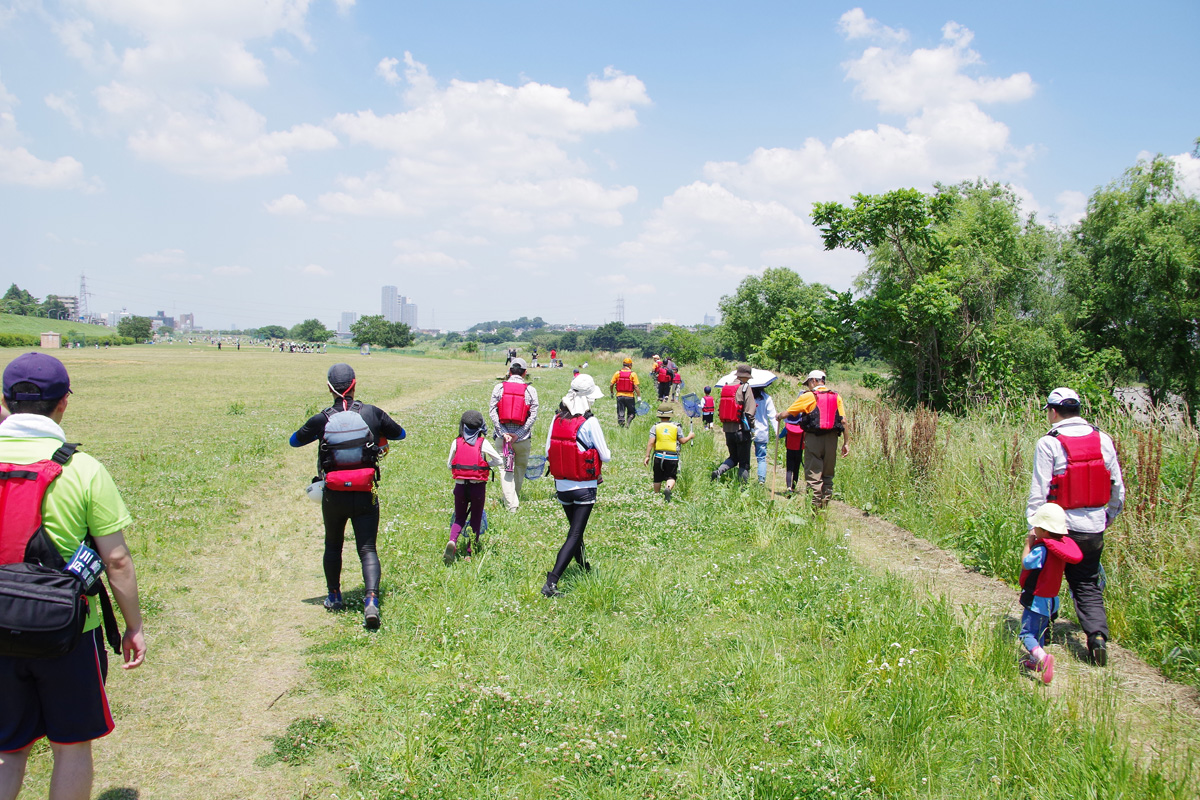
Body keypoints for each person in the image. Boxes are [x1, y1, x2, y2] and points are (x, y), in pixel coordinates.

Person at [0, 353, 147, 799]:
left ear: (6, 400)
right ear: (64, 403)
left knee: (7, 748)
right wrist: (133, 626)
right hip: (68, 631)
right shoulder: (83, 469)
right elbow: (116, 560)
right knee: (70, 744)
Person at [290, 363, 404, 629]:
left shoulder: (322, 419)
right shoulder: (372, 413)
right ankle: (371, 601)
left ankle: (333, 596)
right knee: (367, 549)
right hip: (366, 492)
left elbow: (294, 441)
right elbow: (401, 434)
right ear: (354, 384)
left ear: (329, 388)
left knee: (333, 545)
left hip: (333, 494)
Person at [1026, 387, 1124, 666]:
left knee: (1047, 580)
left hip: (1059, 527)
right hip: (1093, 526)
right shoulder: (1103, 439)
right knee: (1087, 583)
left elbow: (1039, 490)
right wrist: (1108, 518)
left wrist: (1034, 527)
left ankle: (1043, 634)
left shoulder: (1049, 442)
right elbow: (1117, 486)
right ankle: (1097, 638)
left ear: (1053, 411)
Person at [542, 374, 611, 597]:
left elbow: (547, 452)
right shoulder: (590, 421)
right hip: (584, 486)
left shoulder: (556, 419)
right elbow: (606, 456)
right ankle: (551, 582)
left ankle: (583, 567)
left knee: (575, 532)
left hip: (561, 485)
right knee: (574, 534)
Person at [1018, 503, 1082, 685]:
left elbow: (1026, 563)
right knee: (1040, 633)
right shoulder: (1059, 549)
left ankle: (1044, 659)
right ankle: (1035, 661)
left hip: (1037, 598)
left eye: (1036, 527)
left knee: (1026, 634)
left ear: (1044, 530)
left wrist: (1028, 545)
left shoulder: (1041, 550)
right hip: (1051, 600)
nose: (1034, 530)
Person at [780, 370, 848, 509]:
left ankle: (813, 511)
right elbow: (844, 421)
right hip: (832, 440)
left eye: (809, 383)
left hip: (813, 440)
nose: (809, 386)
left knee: (813, 476)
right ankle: (824, 508)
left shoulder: (809, 396)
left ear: (814, 381)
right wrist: (846, 443)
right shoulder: (836, 396)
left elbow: (789, 413)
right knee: (828, 476)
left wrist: (779, 416)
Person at [444, 410, 503, 565]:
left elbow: (450, 464)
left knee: (459, 517)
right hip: (477, 487)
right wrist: (484, 465)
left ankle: (452, 541)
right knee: (476, 518)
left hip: (460, 487)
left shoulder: (456, 442)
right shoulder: (482, 443)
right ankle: (470, 552)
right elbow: (498, 460)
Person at [489, 358, 539, 512]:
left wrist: (504, 433)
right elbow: (533, 415)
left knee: (505, 469)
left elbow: (492, 411)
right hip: (522, 439)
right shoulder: (531, 390)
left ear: (509, 371)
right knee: (519, 468)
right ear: (525, 373)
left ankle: (511, 503)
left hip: (502, 439)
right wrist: (517, 434)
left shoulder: (499, 388)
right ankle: (513, 500)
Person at [712, 365, 756, 482]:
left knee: (733, 457)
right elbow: (750, 412)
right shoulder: (745, 388)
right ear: (746, 377)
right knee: (744, 462)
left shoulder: (726, 387)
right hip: (741, 430)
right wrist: (752, 428)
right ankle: (743, 488)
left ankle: (719, 472)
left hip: (728, 430)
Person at [644, 404, 694, 502]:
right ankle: (668, 488)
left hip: (658, 456)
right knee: (671, 476)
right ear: (670, 415)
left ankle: (656, 496)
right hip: (672, 457)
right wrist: (690, 436)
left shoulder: (655, 426)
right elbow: (682, 441)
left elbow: (651, 442)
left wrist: (647, 456)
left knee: (657, 477)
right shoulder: (676, 427)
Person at [751, 386, 778, 484]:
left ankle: (744, 478)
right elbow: (772, 416)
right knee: (761, 458)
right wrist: (777, 432)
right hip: (762, 431)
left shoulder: (748, 397)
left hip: (749, 429)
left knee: (745, 455)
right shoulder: (767, 398)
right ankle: (761, 480)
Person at [609, 357, 641, 428]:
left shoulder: (617, 373)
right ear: (630, 365)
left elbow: (611, 384)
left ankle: (621, 426)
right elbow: (636, 386)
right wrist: (639, 397)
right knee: (632, 412)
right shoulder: (633, 374)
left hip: (620, 396)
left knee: (620, 413)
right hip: (630, 396)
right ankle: (628, 423)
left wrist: (612, 392)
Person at [780, 412, 805, 495]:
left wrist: (778, 436)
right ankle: (794, 487)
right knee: (796, 469)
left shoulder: (787, 428)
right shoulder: (802, 428)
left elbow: (780, 436)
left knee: (789, 469)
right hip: (799, 450)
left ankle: (788, 487)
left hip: (790, 450)